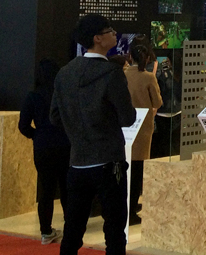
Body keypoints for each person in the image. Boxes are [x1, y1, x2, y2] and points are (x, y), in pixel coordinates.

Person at [51, 14, 137, 255]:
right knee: (114, 231)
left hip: (77, 162)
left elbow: (55, 116)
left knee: (73, 229)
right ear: (97, 38)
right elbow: (127, 117)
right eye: (110, 30)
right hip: (109, 162)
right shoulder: (111, 73)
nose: (115, 33)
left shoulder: (65, 73)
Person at [19, 59, 71, 245]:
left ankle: (46, 231)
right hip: (65, 143)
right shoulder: (64, 93)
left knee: (46, 191)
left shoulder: (33, 96)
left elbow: (23, 126)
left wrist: (36, 135)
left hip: (43, 146)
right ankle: (71, 227)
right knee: (67, 188)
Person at [124, 42, 163, 225]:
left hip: (124, 128)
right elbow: (158, 102)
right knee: (138, 171)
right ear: (147, 59)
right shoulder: (148, 77)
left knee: (125, 170)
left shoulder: (123, 75)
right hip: (143, 129)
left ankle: (126, 208)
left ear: (130, 56)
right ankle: (132, 210)